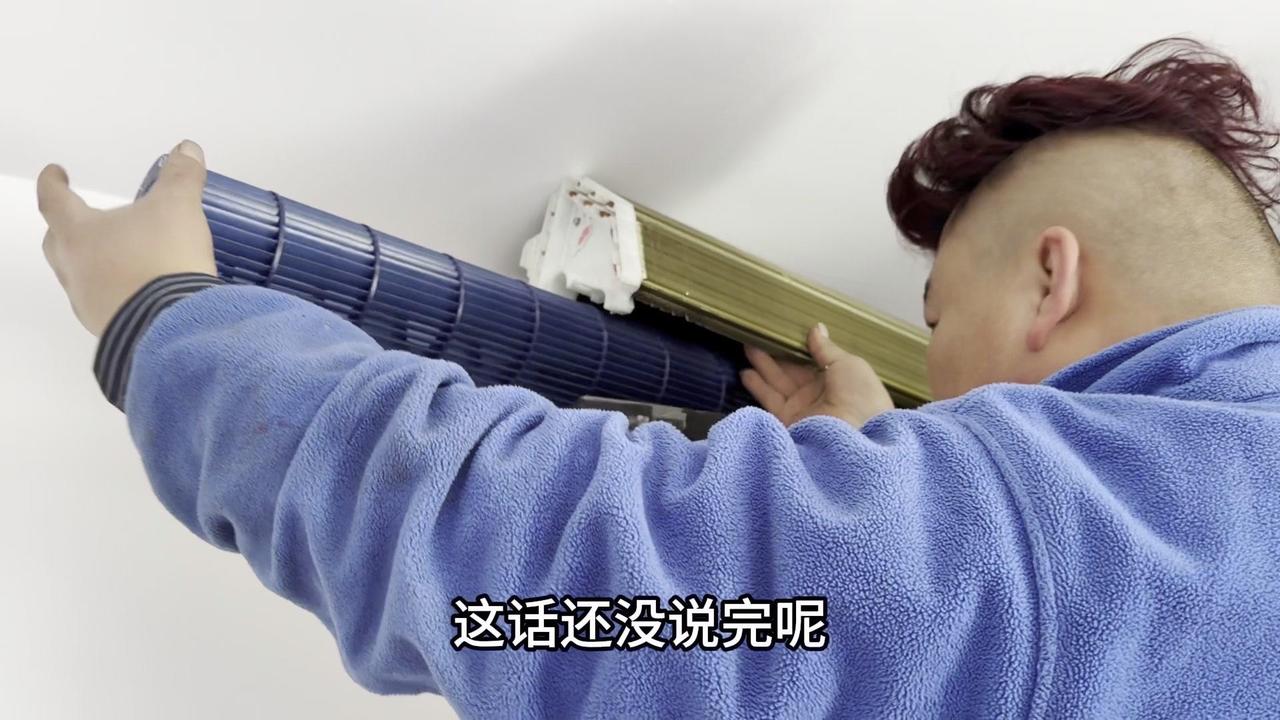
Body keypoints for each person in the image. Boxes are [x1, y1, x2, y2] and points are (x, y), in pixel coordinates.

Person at [39, 37, 1280, 717]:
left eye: (939, 319)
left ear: (1049, 280)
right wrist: (875, 483)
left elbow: (554, 602)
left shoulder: (1071, 537)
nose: (938, 385)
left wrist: (164, 318)